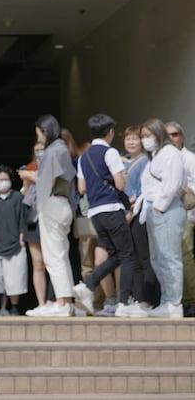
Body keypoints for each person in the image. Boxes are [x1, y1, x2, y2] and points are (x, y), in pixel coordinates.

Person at [72, 114, 137, 317]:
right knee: (128, 255)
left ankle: (88, 284)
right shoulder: (110, 153)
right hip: (112, 209)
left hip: (95, 213)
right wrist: (124, 177)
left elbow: (81, 188)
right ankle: (124, 303)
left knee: (116, 255)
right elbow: (119, 184)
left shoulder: (84, 157)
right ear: (110, 132)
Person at [25, 114, 77, 317]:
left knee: (54, 257)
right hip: (64, 204)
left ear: (45, 131)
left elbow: (47, 181)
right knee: (62, 256)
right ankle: (67, 302)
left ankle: (62, 303)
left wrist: (31, 177)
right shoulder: (63, 149)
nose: (39, 139)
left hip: (52, 204)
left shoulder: (53, 151)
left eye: (39, 134)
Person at [138, 118, 187, 318]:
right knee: (157, 258)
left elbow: (172, 183)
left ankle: (174, 302)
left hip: (166, 208)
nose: (145, 140)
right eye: (143, 136)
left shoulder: (170, 153)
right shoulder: (154, 156)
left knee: (170, 257)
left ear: (158, 134)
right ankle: (167, 300)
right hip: (154, 209)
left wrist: (159, 207)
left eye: (148, 135)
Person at [116, 125, 157, 316]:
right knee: (134, 260)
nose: (131, 142)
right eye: (127, 139)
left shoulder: (144, 162)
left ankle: (147, 300)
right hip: (127, 215)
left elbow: (142, 191)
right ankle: (139, 300)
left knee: (144, 258)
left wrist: (130, 214)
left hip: (138, 215)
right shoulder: (123, 163)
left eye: (135, 138)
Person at [0, 165, 27, 316]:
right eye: (1, 180)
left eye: (6, 180)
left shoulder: (17, 197)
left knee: (14, 279)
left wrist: (22, 240)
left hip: (14, 244)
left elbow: (22, 220)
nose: (3, 182)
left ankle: (14, 306)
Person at [165, 121, 195, 317]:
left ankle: (191, 300)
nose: (171, 138)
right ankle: (173, 299)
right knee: (167, 258)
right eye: (167, 136)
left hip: (186, 215)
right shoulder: (163, 159)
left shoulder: (190, 159)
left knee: (185, 257)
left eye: (175, 134)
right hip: (165, 216)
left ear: (182, 137)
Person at [19, 141, 53, 310]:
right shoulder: (30, 167)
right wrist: (27, 178)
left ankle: (53, 300)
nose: (40, 151)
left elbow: (48, 184)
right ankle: (41, 303)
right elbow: (25, 194)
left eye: (43, 148)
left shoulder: (54, 165)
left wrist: (31, 176)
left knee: (51, 262)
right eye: (37, 149)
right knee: (37, 263)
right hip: (32, 217)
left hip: (50, 215)